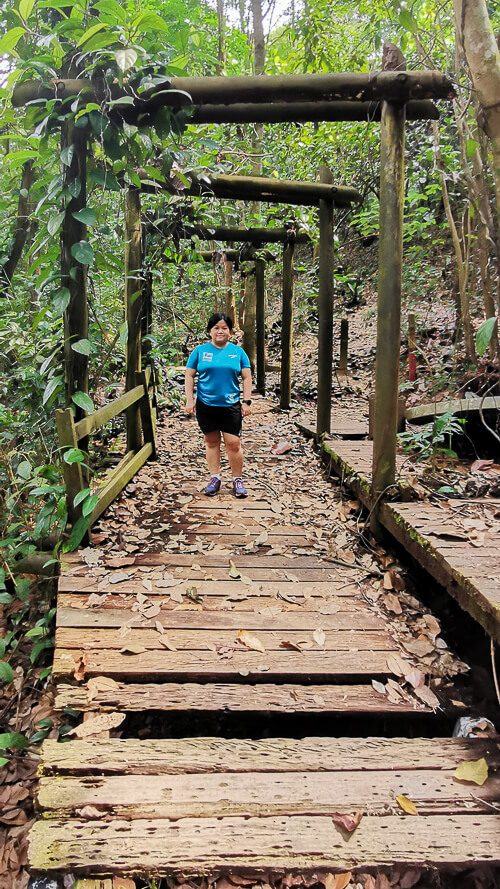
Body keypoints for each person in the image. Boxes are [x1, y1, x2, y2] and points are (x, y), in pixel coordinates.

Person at [184, 313, 253, 498]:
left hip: (230, 404)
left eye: (224, 328)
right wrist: (189, 400)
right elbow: (189, 376)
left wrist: (246, 401)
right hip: (206, 404)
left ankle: (237, 479)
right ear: (210, 331)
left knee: (234, 443)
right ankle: (215, 478)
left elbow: (247, 377)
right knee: (211, 442)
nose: (220, 331)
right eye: (216, 328)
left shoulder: (238, 352)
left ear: (230, 331)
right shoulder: (199, 351)